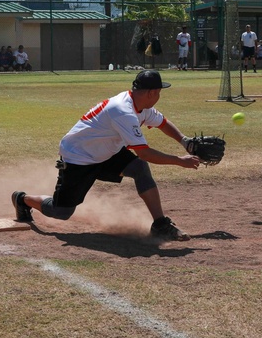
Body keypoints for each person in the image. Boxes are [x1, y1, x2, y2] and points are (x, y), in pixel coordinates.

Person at [11, 70, 201, 240]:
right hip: (79, 157)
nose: (159, 96)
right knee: (61, 211)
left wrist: (186, 142)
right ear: (152, 93)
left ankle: (160, 224)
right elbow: (144, 152)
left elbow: (162, 123)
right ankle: (22, 199)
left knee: (139, 168)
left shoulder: (141, 106)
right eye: (159, 92)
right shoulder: (122, 110)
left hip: (106, 153)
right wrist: (179, 161)